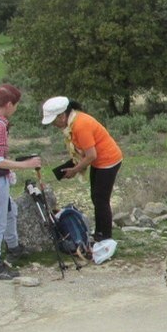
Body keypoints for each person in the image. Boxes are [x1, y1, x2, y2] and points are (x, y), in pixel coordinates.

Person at [0, 84, 43, 280]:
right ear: (8, 104)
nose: (16, 109)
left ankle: (14, 248)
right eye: (16, 105)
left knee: (10, 210)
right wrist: (27, 164)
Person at [41, 97, 123, 243]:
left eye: (54, 121)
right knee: (96, 197)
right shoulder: (72, 124)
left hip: (108, 161)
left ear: (62, 115)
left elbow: (91, 155)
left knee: (101, 200)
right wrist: (75, 166)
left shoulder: (80, 125)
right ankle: (100, 232)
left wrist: (75, 170)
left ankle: (105, 236)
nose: (54, 124)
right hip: (99, 161)